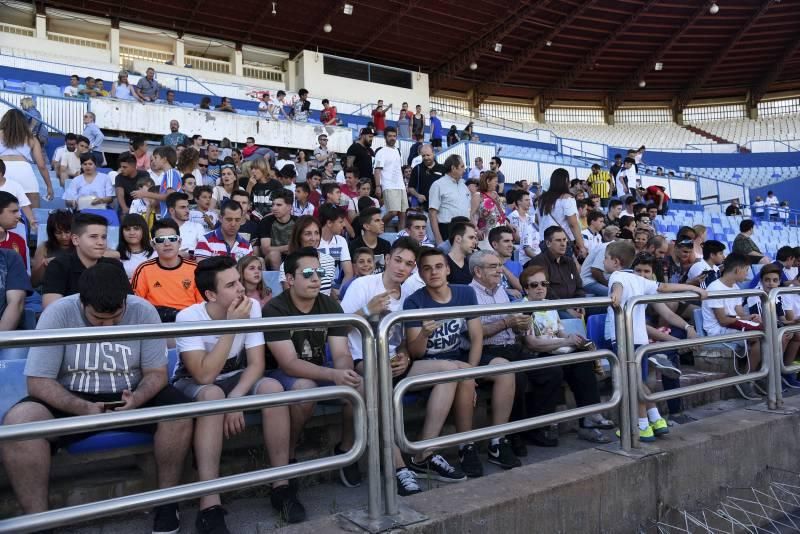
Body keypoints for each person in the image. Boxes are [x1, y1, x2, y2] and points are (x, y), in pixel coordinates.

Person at [1, 263, 193, 534]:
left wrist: (137, 398)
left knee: (180, 412)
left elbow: (156, 373)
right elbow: (39, 381)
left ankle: (166, 502)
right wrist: (80, 406)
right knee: (19, 422)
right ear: (83, 302)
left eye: (116, 318)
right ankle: (38, 521)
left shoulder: (143, 310)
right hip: (71, 396)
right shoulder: (58, 313)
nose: (109, 326)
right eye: (99, 320)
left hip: (131, 391)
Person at [172, 256, 304, 529]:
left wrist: (236, 399)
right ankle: (210, 503)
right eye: (231, 285)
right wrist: (232, 325)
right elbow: (203, 375)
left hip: (235, 379)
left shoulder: (252, 307)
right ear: (210, 294)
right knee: (212, 397)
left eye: (238, 281)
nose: (241, 289)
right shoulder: (188, 317)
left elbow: (257, 364)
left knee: (273, 389)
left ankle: (281, 485)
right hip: (194, 383)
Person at [404, 248, 518, 477]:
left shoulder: (464, 294)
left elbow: (476, 337)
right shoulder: (414, 302)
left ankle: (496, 441)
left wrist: (473, 372)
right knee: (457, 372)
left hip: (458, 359)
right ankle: (464, 446)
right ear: (421, 273)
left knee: (504, 368)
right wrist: (424, 334)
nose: (433, 272)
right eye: (427, 268)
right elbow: (415, 352)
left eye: (438, 266)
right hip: (425, 364)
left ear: (447, 269)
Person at [264, 248, 365, 490]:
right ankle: (288, 457)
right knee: (305, 389)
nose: (316, 278)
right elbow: (288, 363)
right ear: (289, 279)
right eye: (308, 273)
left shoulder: (329, 304)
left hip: (319, 370)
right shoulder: (274, 309)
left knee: (359, 386)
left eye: (319, 272)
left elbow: (341, 353)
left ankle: (345, 450)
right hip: (279, 374)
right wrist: (333, 374)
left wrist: (344, 373)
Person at [605, 240, 706, 441]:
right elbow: (665, 286)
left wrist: (615, 297)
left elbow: (617, 288)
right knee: (638, 381)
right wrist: (693, 288)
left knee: (632, 382)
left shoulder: (617, 276)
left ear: (616, 262)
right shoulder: (640, 280)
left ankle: (641, 425)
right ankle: (656, 419)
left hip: (624, 338)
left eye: (606, 258)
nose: (604, 262)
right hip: (640, 339)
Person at [518, 265, 614, 445]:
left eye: (543, 283)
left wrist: (571, 338)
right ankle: (539, 427)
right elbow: (532, 343)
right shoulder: (524, 309)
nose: (540, 288)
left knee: (581, 360)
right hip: (537, 355)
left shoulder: (550, 305)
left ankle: (589, 416)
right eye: (534, 285)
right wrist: (565, 342)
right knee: (554, 372)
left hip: (555, 351)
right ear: (525, 288)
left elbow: (559, 332)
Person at [42, 213, 122, 309]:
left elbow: (128, 305)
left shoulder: (115, 266)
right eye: (93, 237)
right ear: (75, 240)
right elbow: (51, 310)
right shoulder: (58, 266)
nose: (101, 242)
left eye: (103, 237)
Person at [526, 227, 585, 318]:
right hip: (552, 307)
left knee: (600, 308)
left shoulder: (569, 262)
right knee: (571, 318)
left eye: (564, 240)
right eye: (558, 240)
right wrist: (566, 308)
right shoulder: (539, 261)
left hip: (573, 304)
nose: (563, 244)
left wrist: (580, 303)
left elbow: (579, 286)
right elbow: (546, 290)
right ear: (548, 243)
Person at [0, 109, 53, 208]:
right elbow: (41, 166)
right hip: (24, 171)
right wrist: (49, 186)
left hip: (2, 169)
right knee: (33, 211)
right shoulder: (31, 138)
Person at [278, 216, 336, 296]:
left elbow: (328, 290)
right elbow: (289, 298)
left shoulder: (329, 260)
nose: (313, 238)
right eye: (308, 234)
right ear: (298, 236)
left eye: (316, 233)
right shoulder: (286, 265)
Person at [538, 168, 587, 258]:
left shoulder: (542, 199)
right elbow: (573, 224)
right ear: (565, 181)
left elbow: (537, 220)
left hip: (544, 241)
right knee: (566, 270)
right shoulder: (567, 198)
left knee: (551, 270)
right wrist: (581, 246)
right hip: (562, 242)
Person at [429, 154, 471, 245]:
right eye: (462, 166)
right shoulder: (438, 185)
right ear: (453, 168)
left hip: (465, 229)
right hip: (447, 230)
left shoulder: (464, 186)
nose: (465, 169)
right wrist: (438, 239)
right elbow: (432, 213)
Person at [374, 126, 407, 228]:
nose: (392, 138)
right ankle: (378, 227)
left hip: (400, 186)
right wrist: (378, 186)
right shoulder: (381, 152)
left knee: (403, 213)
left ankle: (400, 236)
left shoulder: (397, 151)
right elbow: (377, 170)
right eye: (390, 136)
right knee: (393, 212)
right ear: (385, 137)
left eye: (394, 136)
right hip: (388, 185)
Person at [31, 209, 74, 287]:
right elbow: (34, 282)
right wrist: (44, 265)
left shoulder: (82, 246)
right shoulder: (44, 247)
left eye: (67, 232)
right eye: (58, 233)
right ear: (52, 233)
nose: (64, 237)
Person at [259, 189, 296, 270]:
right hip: (271, 258)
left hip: (293, 257)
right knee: (274, 254)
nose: (274, 208)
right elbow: (265, 250)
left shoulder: (297, 222)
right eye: (273, 205)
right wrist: (288, 247)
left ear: (289, 207)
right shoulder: (266, 221)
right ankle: (279, 281)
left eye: (279, 205)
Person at [319, 203, 354, 287]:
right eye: (340, 222)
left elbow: (348, 273)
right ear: (329, 223)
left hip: (335, 287)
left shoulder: (341, 241)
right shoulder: (312, 240)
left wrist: (340, 293)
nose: (344, 225)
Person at [471, 170, 509, 246]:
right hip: (485, 236)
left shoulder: (495, 194)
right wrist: (476, 230)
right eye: (495, 181)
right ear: (488, 181)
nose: (497, 184)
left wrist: (509, 225)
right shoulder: (478, 195)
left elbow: (500, 213)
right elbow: (471, 215)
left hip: (500, 234)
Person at [349, 207, 391, 273]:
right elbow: (354, 273)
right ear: (366, 226)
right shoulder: (354, 246)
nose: (382, 223)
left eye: (381, 220)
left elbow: (388, 271)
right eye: (377, 220)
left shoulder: (386, 245)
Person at [117, 213, 155, 278]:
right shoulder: (116, 256)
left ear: (144, 230)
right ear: (122, 232)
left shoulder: (156, 254)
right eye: (127, 229)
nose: (132, 233)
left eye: (136, 228)